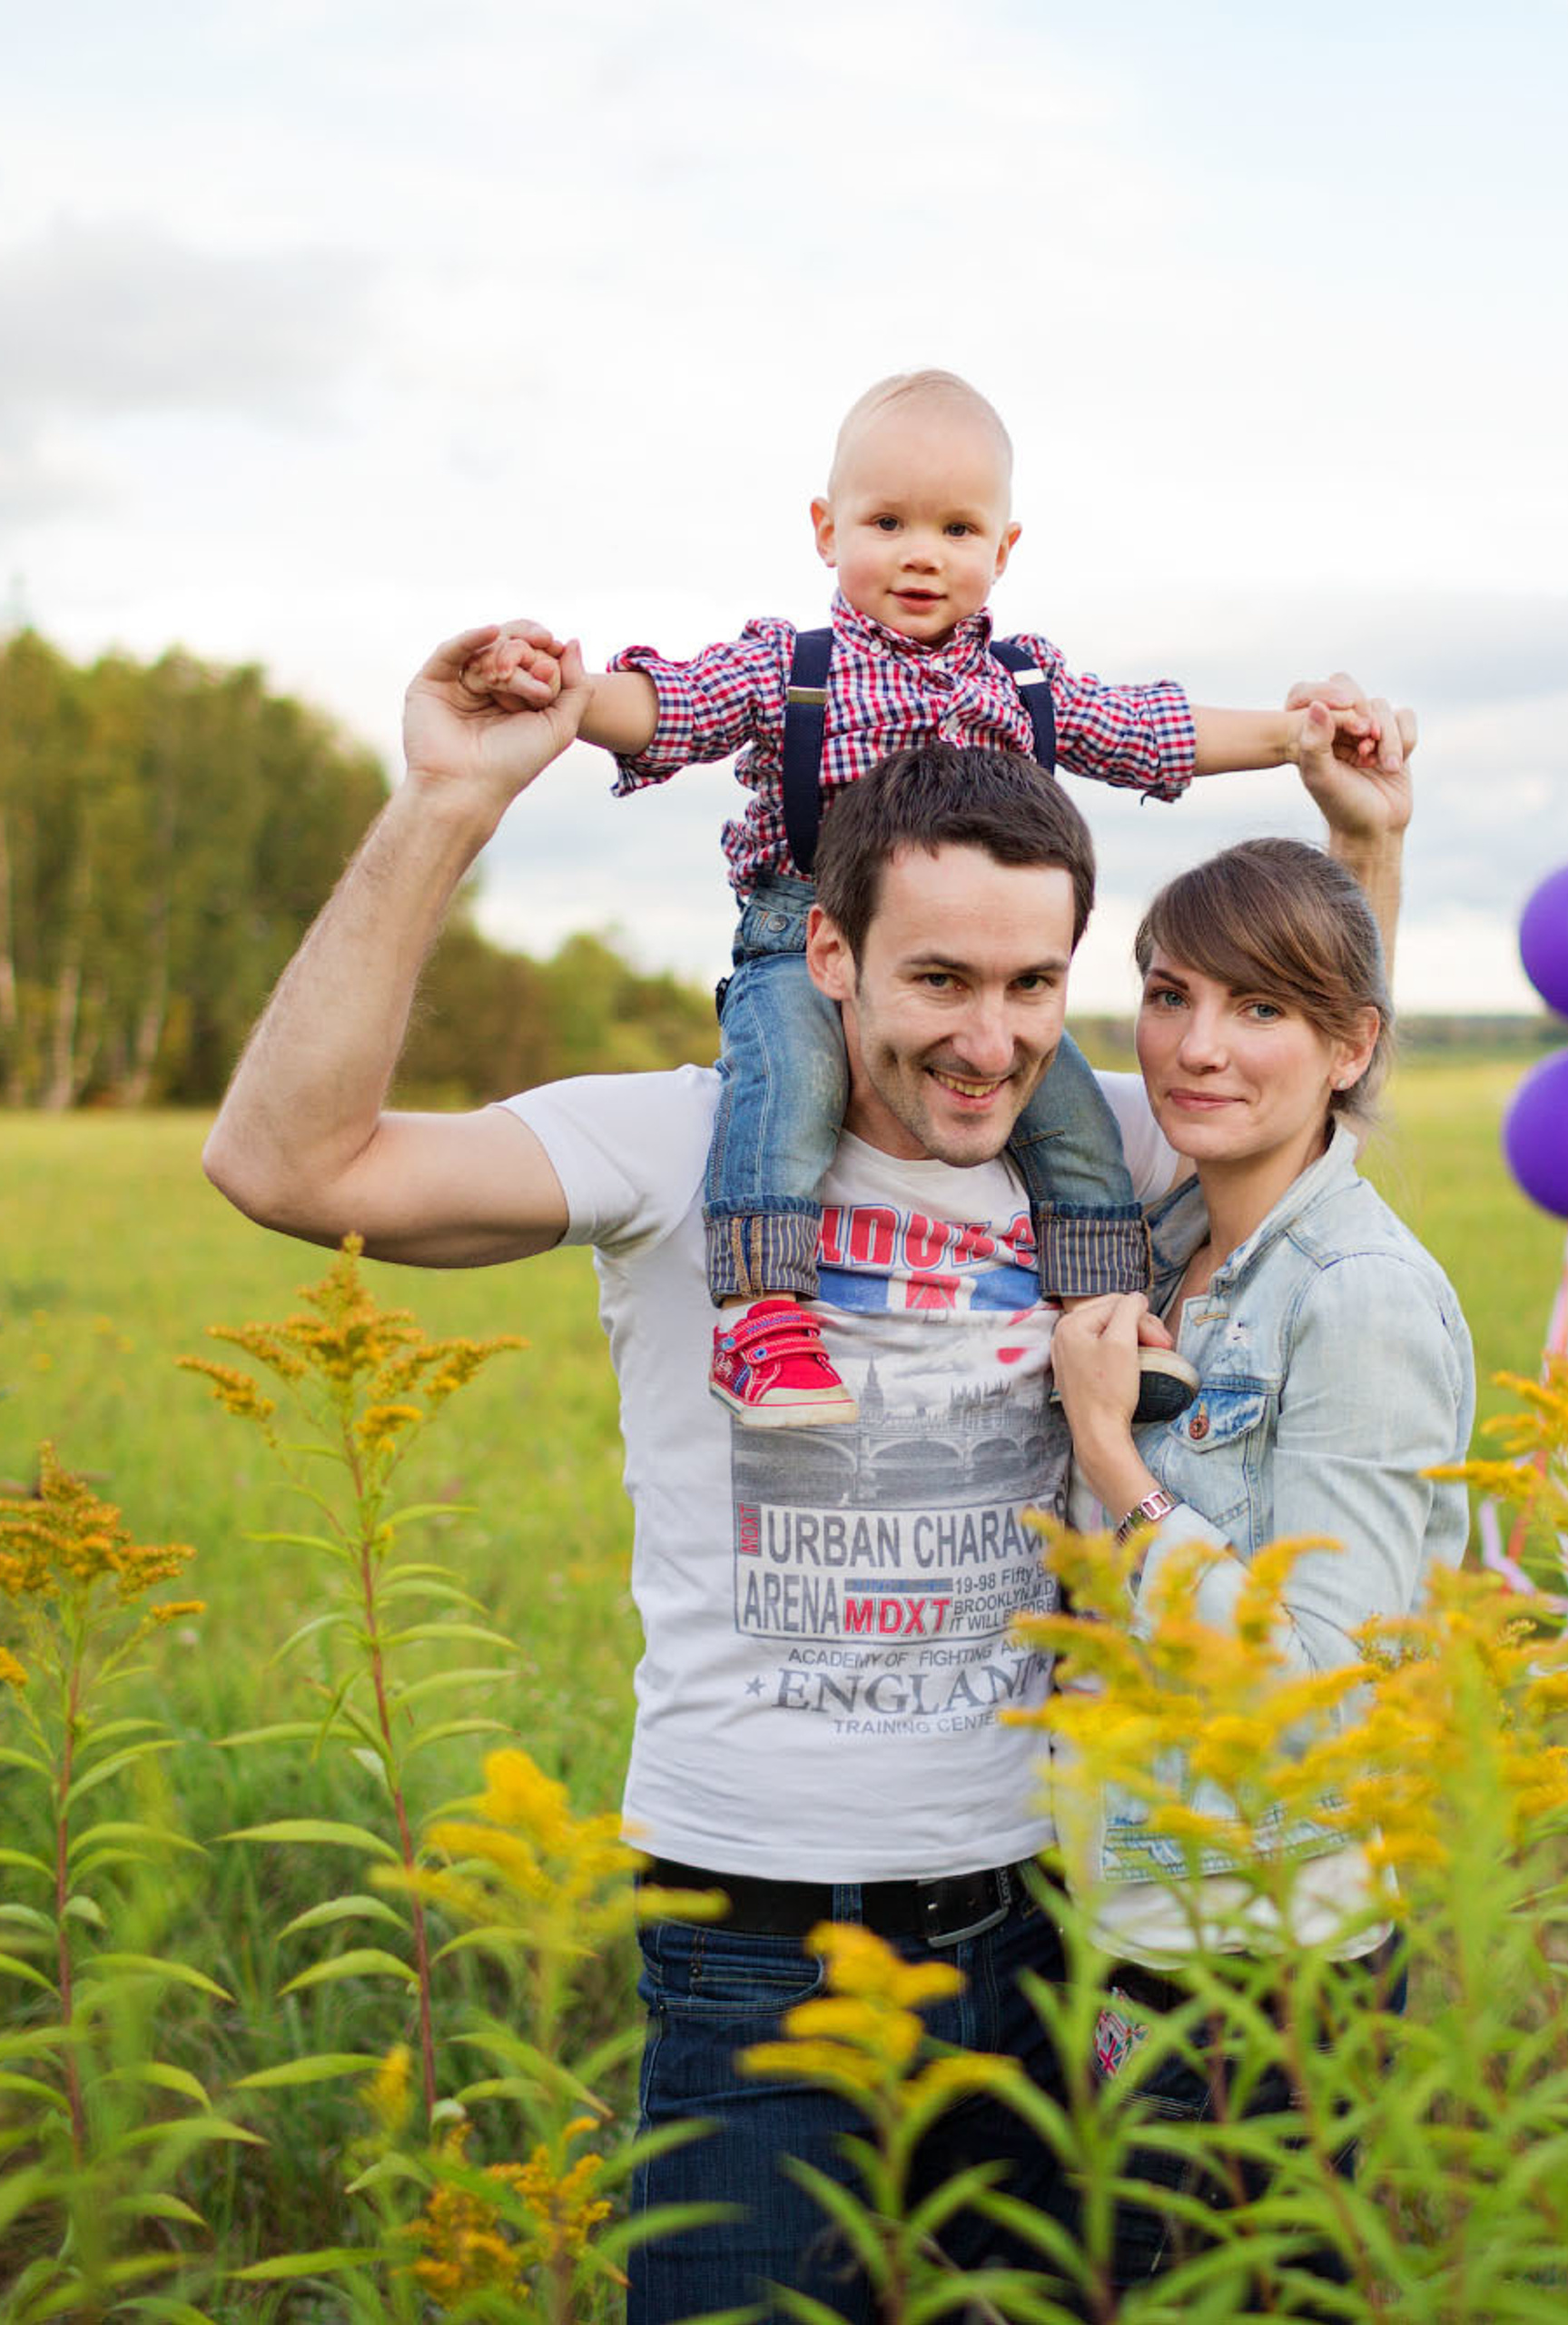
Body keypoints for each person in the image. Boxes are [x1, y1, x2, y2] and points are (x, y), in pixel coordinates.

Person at [201, 628, 1414, 2325]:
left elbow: (1315, 1097)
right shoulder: (680, 1143)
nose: (990, 1045)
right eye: (938, 982)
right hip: (760, 1954)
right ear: (827, 951)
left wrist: (1365, 847)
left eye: (1034, 988)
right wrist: (446, 807)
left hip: (1055, 1945)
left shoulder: (1106, 1146)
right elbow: (283, 1162)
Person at [463, 368, 1381, 1430]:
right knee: (789, 1088)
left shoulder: (1022, 688)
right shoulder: (790, 670)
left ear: (1004, 549)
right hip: (801, 944)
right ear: (824, 527)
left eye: (956, 528)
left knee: (1076, 1124)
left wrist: (1288, 734)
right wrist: (573, 699)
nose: (920, 552)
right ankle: (763, 1316)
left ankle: (1104, 1315)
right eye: (887, 520)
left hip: (971, 974)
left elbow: (1150, 732)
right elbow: (675, 705)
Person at [1048, 838, 1475, 2290]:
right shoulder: (1172, 1242)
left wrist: (1118, 1468)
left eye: (1261, 1011)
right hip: (1135, 1922)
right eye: (1170, 996)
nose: (1196, 1047)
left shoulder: (1355, 1299)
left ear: (1353, 1045)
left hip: (1266, 1962)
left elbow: (1319, 1678)